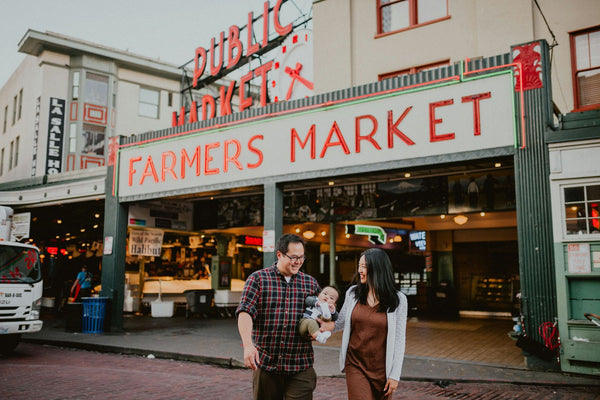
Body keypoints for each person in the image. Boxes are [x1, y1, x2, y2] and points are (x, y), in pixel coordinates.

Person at [236, 233, 322, 400]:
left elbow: (325, 315)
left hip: (300, 364)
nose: (298, 262)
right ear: (279, 255)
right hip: (267, 364)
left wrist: (321, 326)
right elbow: (245, 312)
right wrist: (248, 345)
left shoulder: (310, 283)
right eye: (294, 257)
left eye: (302, 257)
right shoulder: (258, 279)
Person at [322, 248, 408, 400]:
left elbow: (400, 340)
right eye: (359, 266)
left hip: (382, 369)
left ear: (378, 268)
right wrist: (322, 326)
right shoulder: (353, 293)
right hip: (355, 363)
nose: (360, 270)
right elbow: (341, 322)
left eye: (364, 266)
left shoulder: (398, 300)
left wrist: (395, 375)